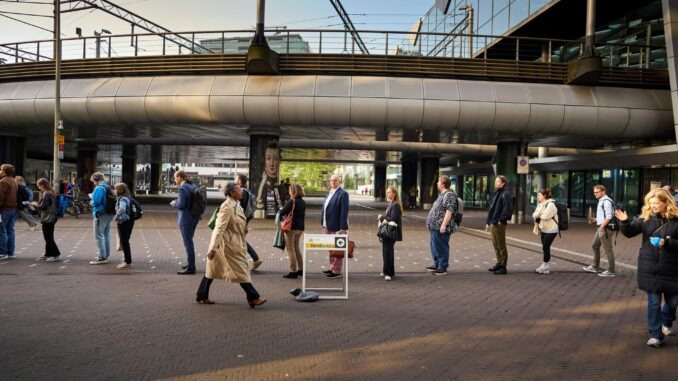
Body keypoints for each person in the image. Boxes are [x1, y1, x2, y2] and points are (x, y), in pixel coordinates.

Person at [616, 188, 678, 348]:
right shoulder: (645, 218)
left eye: (657, 203)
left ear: (666, 203)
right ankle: (655, 335)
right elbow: (630, 232)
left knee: (673, 302)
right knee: (653, 303)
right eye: (651, 203)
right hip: (650, 267)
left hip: (673, 269)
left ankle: (667, 319)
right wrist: (624, 222)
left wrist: (669, 243)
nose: (654, 206)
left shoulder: (676, 220)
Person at [195, 182, 267, 307]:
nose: (242, 192)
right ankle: (253, 297)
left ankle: (202, 294)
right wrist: (212, 248)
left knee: (212, 270)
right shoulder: (227, 207)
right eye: (239, 190)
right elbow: (219, 228)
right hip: (228, 245)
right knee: (241, 270)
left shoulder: (236, 204)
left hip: (234, 242)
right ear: (232, 192)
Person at [425, 175, 458, 276]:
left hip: (441, 227)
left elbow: (449, 211)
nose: (437, 183)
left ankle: (443, 267)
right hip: (435, 227)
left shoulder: (449, 195)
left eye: (438, 182)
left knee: (441, 247)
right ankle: (437, 264)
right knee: (434, 246)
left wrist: (443, 225)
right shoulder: (442, 195)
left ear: (443, 184)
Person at [583, 184, 616, 277]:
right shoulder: (602, 201)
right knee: (595, 246)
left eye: (597, 192)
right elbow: (604, 216)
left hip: (605, 228)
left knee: (608, 250)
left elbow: (609, 216)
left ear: (603, 191)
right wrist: (596, 219)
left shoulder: (606, 201)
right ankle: (595, 266)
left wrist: (601, 227)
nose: (595, 194)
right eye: (594, 192)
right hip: (602, 227)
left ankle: (611, 270)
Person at [172, 170, 200, 274]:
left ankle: (191, 267)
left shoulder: (182, 188)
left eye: (175, 177)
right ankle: (190, 263)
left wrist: (174, 203)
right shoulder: (192, 186)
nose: (174, 180)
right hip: (194, 217)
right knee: (189, 242)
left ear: (179, 177)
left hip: (186, 219)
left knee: (188, 243)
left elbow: (181, 205)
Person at [321, 174, 349, 278]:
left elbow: (344, 212)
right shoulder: (330, 192)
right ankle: (332, 267)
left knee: (337, 248)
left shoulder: (343, 194)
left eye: (335, 180)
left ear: (339, 182)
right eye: (331, 180)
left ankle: (336, 271)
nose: (333, 182)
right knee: (330, 248)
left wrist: (343, 227)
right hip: (327, 225)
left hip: (337, 226)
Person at [486, 175, 514, 275]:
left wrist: (501, 220)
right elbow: (492, 209)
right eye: (496, 181)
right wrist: (488, 222)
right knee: (495, 244)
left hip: (499, 223)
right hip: (493, 222)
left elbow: (508, 209)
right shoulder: (497, 193)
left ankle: (503, 266)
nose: (496, 183)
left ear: (503, 183)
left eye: (498, 181)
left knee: (501, 245)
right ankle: (499, 262)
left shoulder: (506, 194)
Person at [235, 174, 262, 270]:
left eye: (236, 178)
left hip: (242, 221)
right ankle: (255, 259)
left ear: (240, 181)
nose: (235, 179)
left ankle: (254, 260)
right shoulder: (247, 191)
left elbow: (241, 208)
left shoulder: (241, 192)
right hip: (245, 220)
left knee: (239, 241)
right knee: (240, 241)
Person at [280, 184, 306, 279]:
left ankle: (293, 271)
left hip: (291, 228)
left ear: (293, 191)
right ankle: (301, 269)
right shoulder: (302, 202)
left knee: (290, 249)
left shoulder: (292, 201)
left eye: (290, 190)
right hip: (300, 228)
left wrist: (282, 215)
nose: (289, 192)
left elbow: (282, 212)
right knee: (296, 248)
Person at [89, 172, 114, 265]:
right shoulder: (108, 187)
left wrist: (91, 200)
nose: (93, 183)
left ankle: (102, 257)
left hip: (100, 214)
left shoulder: (99, 188)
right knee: (107, 235)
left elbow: (96, 202)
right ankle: (106, 255)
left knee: (99, 236)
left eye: (93, 181)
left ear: (96, 179)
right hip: (109, 214)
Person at [379, 186, 403, 281]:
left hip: (391, 232)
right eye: (387, 192)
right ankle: (389, 271)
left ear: (394, 194)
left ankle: (388, 273)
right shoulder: (392, 204)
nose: (387, 194)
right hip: (389, 231)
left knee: (387, 252)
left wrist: (381, 217)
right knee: (387, 251)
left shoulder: (395, 205)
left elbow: (393, 218)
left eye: (389, 192)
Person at [532, 188, 559, 274]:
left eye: (539, 195)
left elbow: (545, 217)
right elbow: (534, 215)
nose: (538, 196)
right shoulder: (540, 204)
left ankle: (545, 265)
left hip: (552, 229)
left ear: (545, 196)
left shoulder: (551, 205)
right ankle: (546, 266)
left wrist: (539, 214)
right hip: (543, 228)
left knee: (546, 246)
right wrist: (540, 214)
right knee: (545, 247)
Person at [34, 178, 61, 262]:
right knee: (49, 235)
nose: (39, 188)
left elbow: (43, 206)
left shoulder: (46, 193)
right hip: (53, 216)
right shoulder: (52, 192)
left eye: (39, 186)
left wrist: (34, 205)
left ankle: (55, 254)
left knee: (48, 237)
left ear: (43, 185)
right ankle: (48, 253)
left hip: (47, 217)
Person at [114, 183, 135, 270]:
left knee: (124, 242)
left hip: (123, 221)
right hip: (129, 221)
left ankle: (127, 262)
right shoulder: (128, 197)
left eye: (115, 189)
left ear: (120, 190)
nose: (114, 191)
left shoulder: (122, 199)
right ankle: (127, 261)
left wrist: (116, 217)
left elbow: (122, 209)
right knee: (125, 241)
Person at [0, 164, 18, 260]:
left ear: (4, 171)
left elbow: (0, 197)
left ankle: (3, 252)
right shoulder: (14, 181)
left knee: (1, 231)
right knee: (10, 230)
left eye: (0, 169)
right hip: (13, 208)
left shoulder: (3, 181)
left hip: (4, 209)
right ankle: (10, 252)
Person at [256, 140, 281, 210]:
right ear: (264, 160)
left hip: (274, 188)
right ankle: (271, 212)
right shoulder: (265, 176)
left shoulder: (276, 176)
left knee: (275, 205)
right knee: (271, 207)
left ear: (279, 160)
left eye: (276, 159)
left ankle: (273, 212)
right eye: (268, 158)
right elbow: (260, 193)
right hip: (270, 189)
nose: (272, 163)